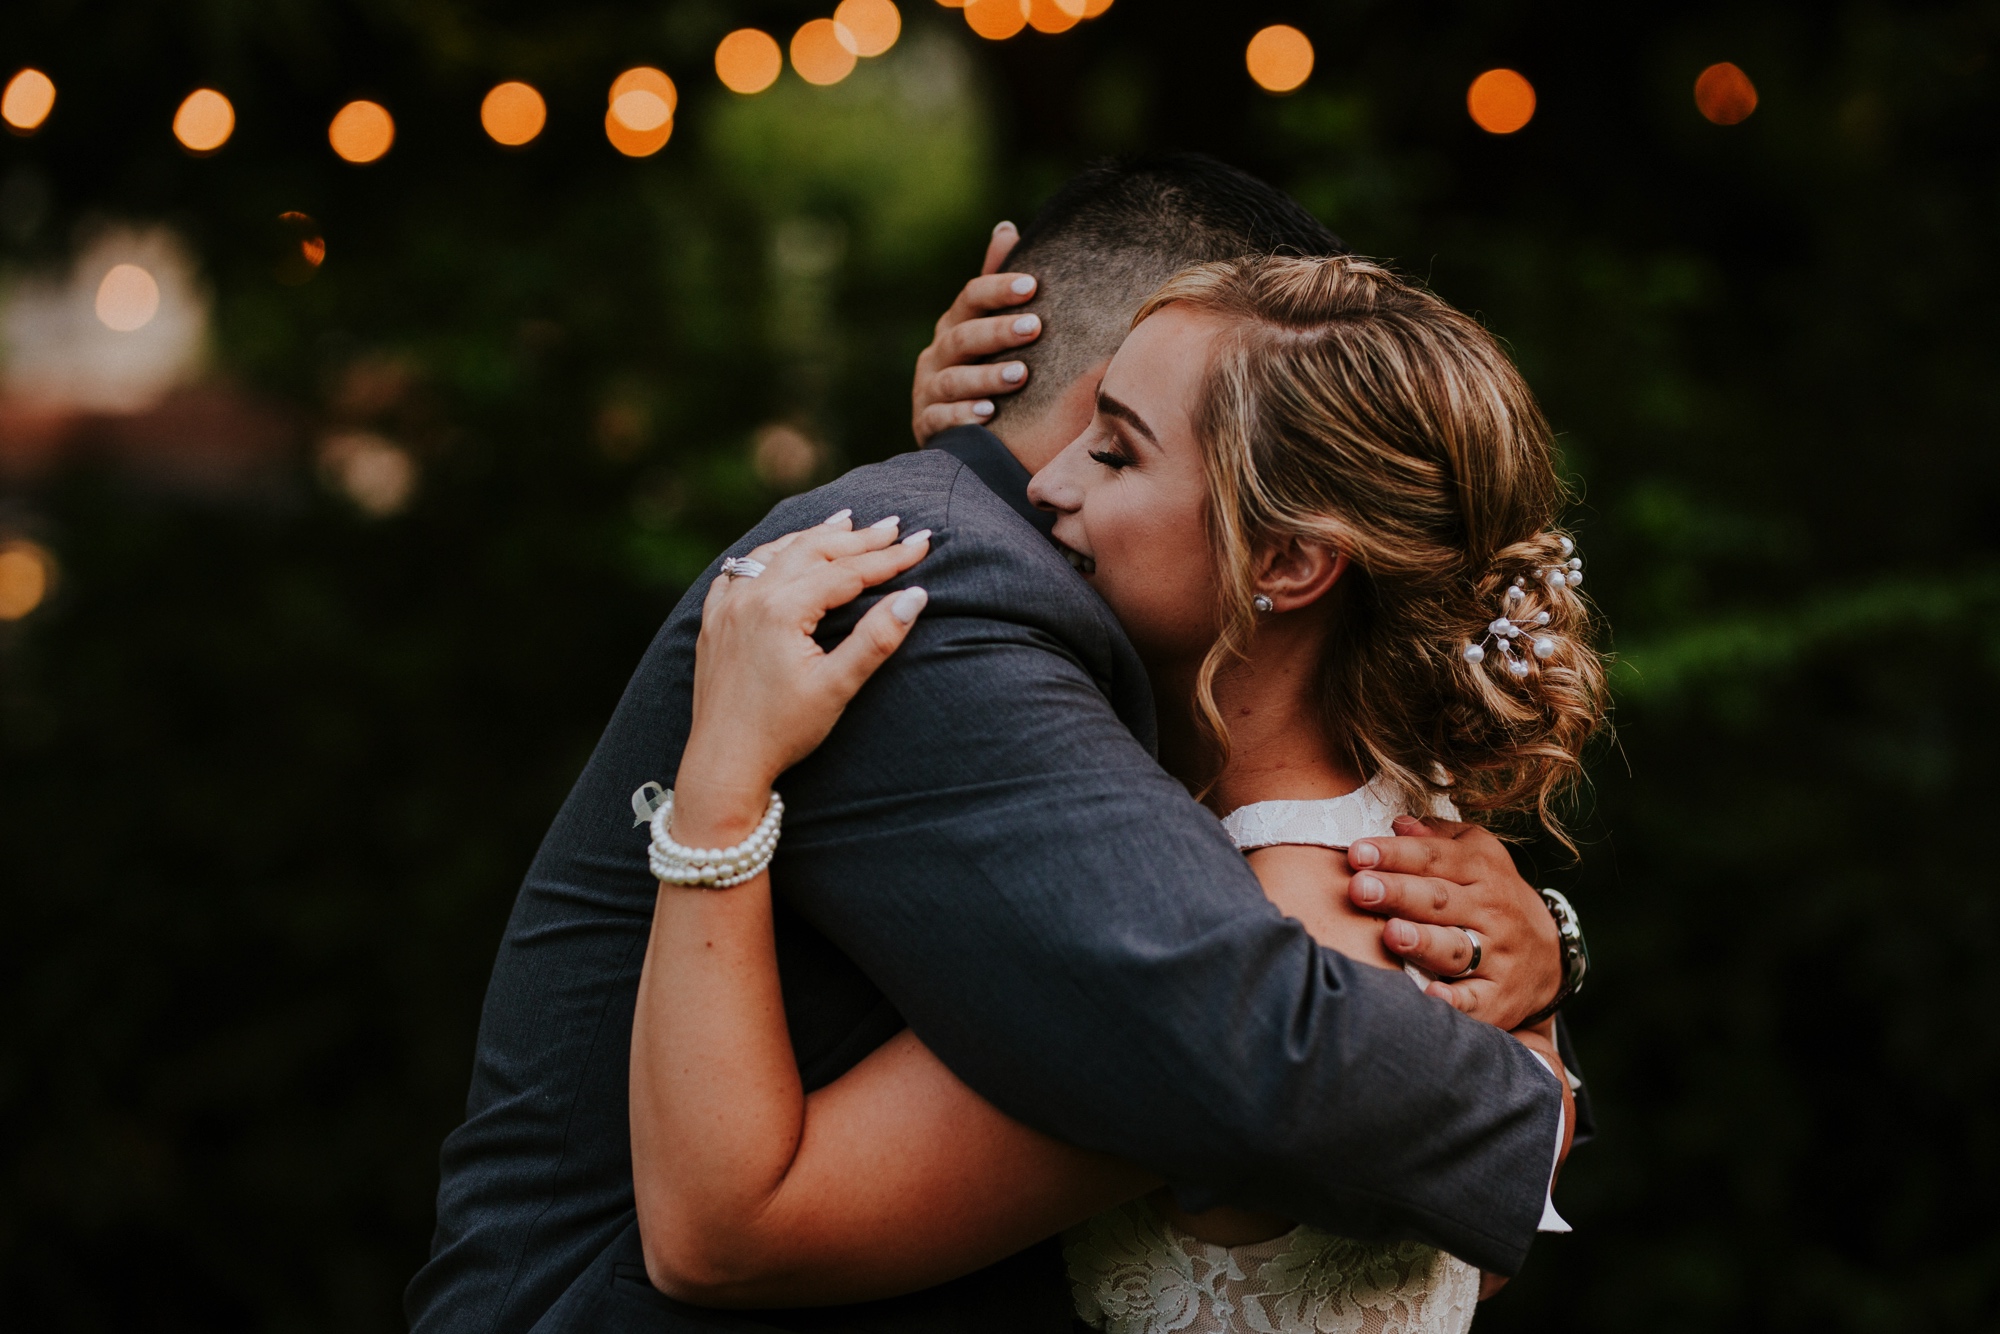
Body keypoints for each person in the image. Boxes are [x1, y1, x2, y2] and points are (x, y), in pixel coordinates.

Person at [407, 157, 1588, 1334]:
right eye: (1084, 427)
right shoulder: (1366, 858)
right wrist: (1541, 1033)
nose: (1044, 491)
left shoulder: (1291, 917)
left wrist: (720, 790)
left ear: (1285, 560)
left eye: (1115, 446)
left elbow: (732, 1228)